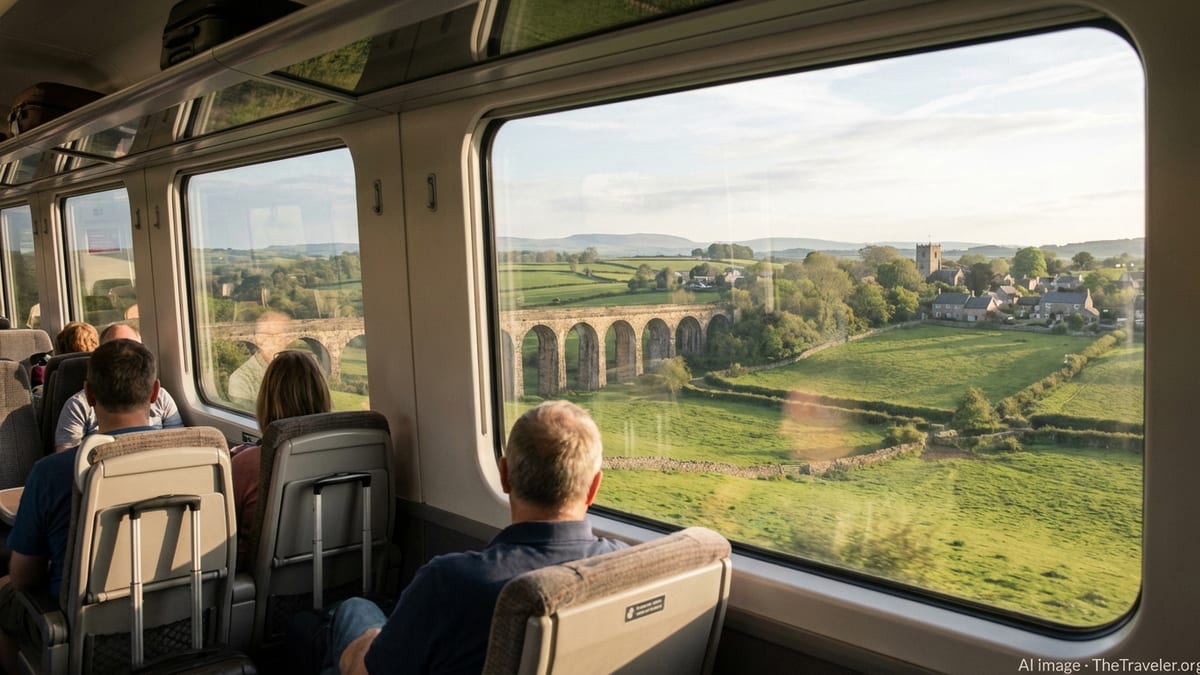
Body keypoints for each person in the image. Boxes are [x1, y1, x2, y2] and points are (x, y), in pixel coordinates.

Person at [323, 400, 625, 675]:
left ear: (504, 475)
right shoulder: (625, 567)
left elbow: (363, 672)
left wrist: (369, 641)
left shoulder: (449, 582)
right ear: (594, 487)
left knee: (353, 612)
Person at [0, 339, 162, 673]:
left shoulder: (51, 473)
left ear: (87, 395)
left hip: (79, 621)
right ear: (155, 393)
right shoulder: (201, 461)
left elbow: (22, 577)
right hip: (175, 613)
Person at [230, 350, 331, 560]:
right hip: (336, 566)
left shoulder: (247, 464)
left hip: (266, 579)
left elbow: (226, 531)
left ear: (265, 402)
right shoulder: (345, 454)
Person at [52, 322, 183, 453]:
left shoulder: (163, 399)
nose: (124, 356)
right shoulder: (77, 405)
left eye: (134, 350)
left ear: (89, 393)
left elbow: (178, 446)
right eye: (113, 350)